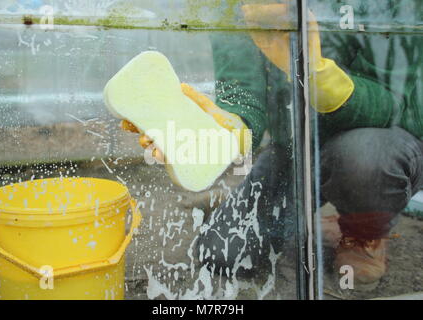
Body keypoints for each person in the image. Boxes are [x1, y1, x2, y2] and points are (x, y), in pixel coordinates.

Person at [120, 1, 423, 288]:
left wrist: (322, 79)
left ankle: (363, 231)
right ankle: (310, 214)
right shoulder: (235, 5)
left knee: (364, 158)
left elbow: (397, 103)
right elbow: (242, 98)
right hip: (297, 145)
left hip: (381, 139)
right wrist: (217, 131)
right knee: (225, 253)